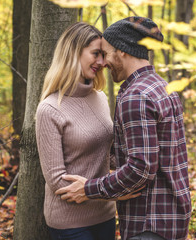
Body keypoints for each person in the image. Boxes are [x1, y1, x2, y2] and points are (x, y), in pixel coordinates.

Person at [55, 17, 192, 240]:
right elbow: (155, 156)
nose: (104, 62)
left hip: (149, 223)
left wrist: (89, 189)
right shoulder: (163, 87)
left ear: (123, 51)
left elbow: (140, 168)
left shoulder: (135, 97)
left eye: (107, 53)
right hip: (172, 218)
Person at [36, 22, 139, 240]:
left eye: (104, 55)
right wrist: (115, 194)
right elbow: (57, 181)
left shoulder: (100, 97)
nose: (102, 62)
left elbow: (108, 154)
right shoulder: (50, 108)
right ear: (73, 53)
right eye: (96, 54)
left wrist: (137, 168)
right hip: (70, 222)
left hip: (105, 214)